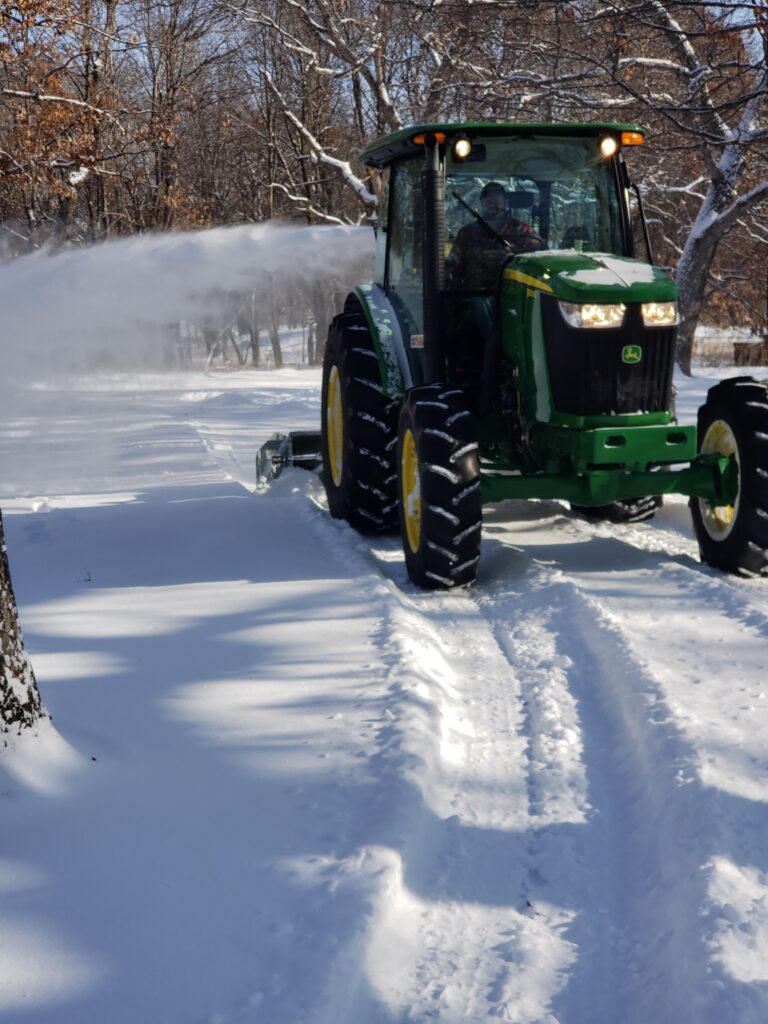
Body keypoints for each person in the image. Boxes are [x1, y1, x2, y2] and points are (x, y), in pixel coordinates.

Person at [449, 181, 544, 291]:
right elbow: (453, 263)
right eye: (488, 200)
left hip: (512, 296)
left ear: (505, 202)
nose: (493, 203)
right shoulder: (467, 233)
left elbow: (539, 261)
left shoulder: (523, 231)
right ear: (482, 203)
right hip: (474, 297)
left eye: (497, 199)